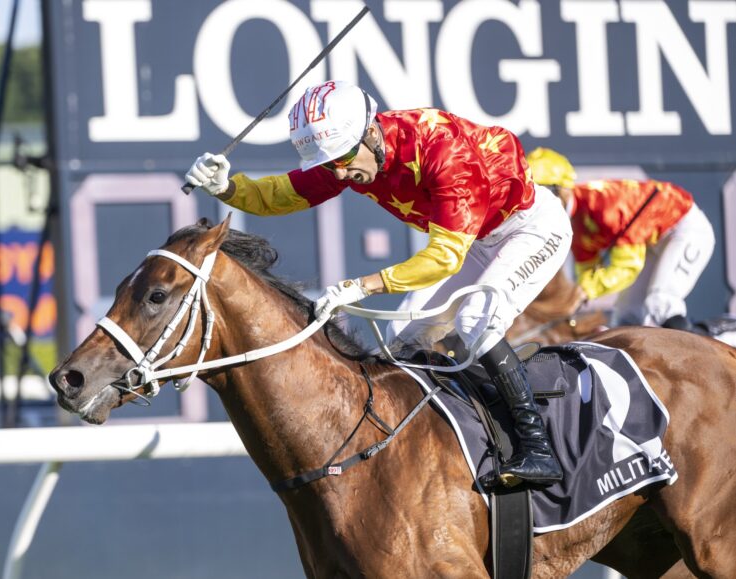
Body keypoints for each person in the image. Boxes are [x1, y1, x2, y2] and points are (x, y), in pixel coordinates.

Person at [185, 80, 571, 488]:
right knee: (402, 333)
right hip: (477, 239)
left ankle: (538, 448)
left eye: (343, 159)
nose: (340, 172)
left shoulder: (443, 151)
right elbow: (283, 193)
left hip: (530, 229)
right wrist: (227, 187)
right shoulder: (351, 152)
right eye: (329, 164)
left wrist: (363, 285)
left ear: (371, 131)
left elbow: (444, 257)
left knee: (476, 319)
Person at [526, 147, 715, 331]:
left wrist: (586, 291)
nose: (538, 204)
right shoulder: (572, 222)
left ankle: (711, 344)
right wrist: (581, 292)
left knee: (661, 303)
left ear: (564, 188)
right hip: (650, 242)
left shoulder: (604, 207)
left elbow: (628, 267)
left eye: (545, 192)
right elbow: (588, 269)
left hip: (685, 228)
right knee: (626, 317)